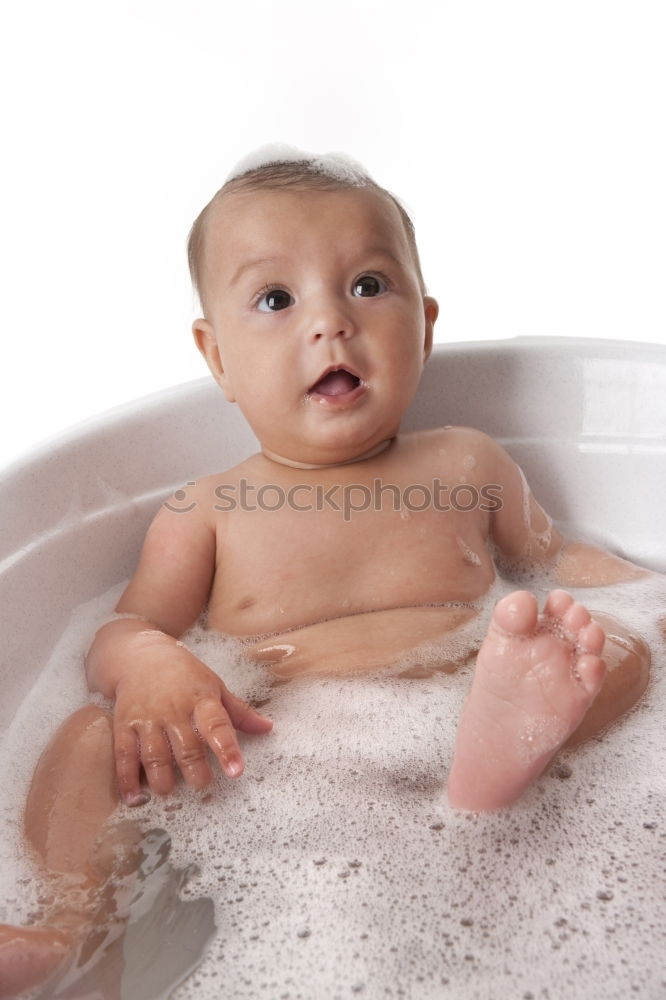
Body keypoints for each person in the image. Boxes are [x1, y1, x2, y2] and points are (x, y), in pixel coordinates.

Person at [0, 145, 652, 996]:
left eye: (369, 286)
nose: (330, 322)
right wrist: (152, 664)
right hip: (263, 745)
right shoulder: (206, 508)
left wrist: (645, 595)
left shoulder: (467, 461)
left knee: (619, 647)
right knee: (94, 736)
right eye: (276, 299)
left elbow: (550, 558)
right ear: (217, 358)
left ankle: (492, 769)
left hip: (463, 692)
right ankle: (68, 927)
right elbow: (125, 632)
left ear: (424, 324)